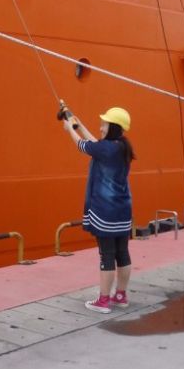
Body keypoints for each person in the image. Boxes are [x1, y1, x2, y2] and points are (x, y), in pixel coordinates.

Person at [62, 105, 135, 312]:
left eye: (104, 124)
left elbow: (83, 145)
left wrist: (71, 129)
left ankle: (103, 300)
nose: (101, 127)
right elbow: (96, 143)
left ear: (113, 127)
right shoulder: (121, 146)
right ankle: (120, 295)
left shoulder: (106, 149)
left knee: (106, 255)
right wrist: (78, 123)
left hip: (106, 212)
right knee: (123, 252)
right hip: (123, 211)